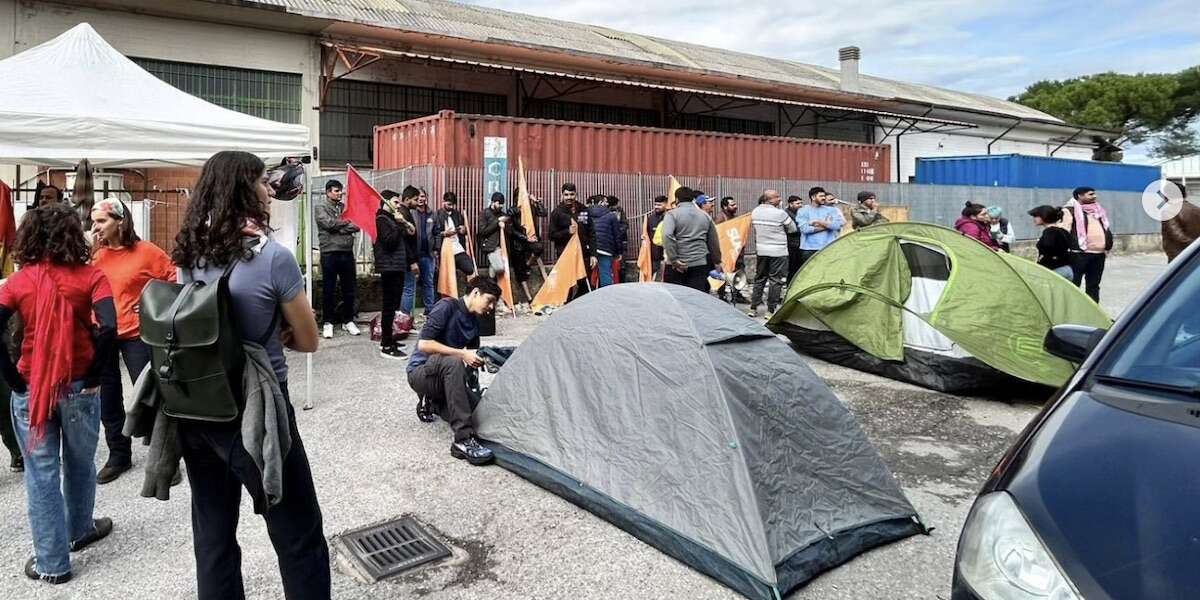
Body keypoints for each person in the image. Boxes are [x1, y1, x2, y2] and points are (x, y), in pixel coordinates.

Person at [171, 150, 329, 600]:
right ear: (245, 189)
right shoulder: (272, 258)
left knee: (214, 536)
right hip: (257, 413)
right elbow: (309, 340)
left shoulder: (188, 251)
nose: (268, 188)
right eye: (262, 181)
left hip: (197, 408)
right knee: (297, 533)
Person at [0, 204, 117, 584]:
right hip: (81, 385)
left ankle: (51, 563)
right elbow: (109, 329)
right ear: (72, 234)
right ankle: (79, 531)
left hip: (32, 388)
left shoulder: (17, 283)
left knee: (41, 473)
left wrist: (15, 383)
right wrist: (97, 375)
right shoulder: (92, 276)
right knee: (81, 463)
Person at [89, 198, 176, 484]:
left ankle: (164, 458)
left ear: (120, 221)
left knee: (149, 393)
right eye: (93, 221)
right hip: (102, 333)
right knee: (108, 397)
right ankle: (118, 455)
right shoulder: (94, 255)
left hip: (136, 333)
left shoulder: (146, 251)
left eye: (101, 221)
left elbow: (174, 279)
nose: (95, 227)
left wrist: (153, 301)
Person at [406, 277, 501, 465]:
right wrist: (462, 354)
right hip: (421, 373)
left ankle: (434, 403)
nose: (491, 307)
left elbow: (471, 365)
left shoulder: (474, 322)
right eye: (489, 300)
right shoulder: (447, 307)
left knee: (480, 417)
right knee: (454, 362)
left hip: (446, 377)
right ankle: (463, 441)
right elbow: (424, 344)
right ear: (475, 293)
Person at [314, 179, 361, 339]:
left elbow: (357, 225)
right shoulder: (320, 207)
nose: (339, 193)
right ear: (328, 192)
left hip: (347, 252)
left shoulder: (345, 208)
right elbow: (327, 224)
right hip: (329, 253)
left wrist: (339, 227)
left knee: (349, 289)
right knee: (329, 289)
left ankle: (348, 320)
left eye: (341, 191)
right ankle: (328, 322)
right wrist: (345, 225)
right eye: (336, 190)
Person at [375, 189, 415, 359]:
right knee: (389, 307)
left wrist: (403, 223)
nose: (399, 205)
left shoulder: (392, 219)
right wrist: (399, 225)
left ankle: (390, 338)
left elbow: (410, 233)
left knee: (394, 306)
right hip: (389, 267)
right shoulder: (382, 219)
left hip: (397, 266)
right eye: (395, 202)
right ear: (386, 202)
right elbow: (389, 242)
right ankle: (386, 344)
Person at [661, 186, 721, 293]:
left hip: (676, 266)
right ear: (693, 199)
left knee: (676, 298)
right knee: (696, 299)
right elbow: (713, 241)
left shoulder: (672, 215)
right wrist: (717, 261)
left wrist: (674, 260)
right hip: (699, 264)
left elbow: (667, 235)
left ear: (677, 199)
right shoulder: (705, 216)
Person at [749, 190, 796, 317]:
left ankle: (753, 308)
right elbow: (792, 229)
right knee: (776, 281)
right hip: (779, 251)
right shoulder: (780, 213)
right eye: (777, 197)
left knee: (759, 278)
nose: (780, 199)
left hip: (762, 250)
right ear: (770, 200)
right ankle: (770, 310)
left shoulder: (755, 211)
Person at [1061, 186, 1112, 302]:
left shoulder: (1099, 210)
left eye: (1094, 194)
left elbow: (1106, 229)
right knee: (1074, 286)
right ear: (1080, 196)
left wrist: (1107, 245)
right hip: (1078, 255)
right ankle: (1072, 312)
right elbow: (1063, 232)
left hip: (1098, 255)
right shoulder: (1070, 210)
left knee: (1093, 286)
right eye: (1090, 194)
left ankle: (1093, 314)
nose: (1095, 196)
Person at [548, 183, 595, 299]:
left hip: (583, 254)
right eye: (566, 194)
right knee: (566, 286)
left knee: (585, 283)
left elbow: (592, 233)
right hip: (565, 254)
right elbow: (551, 235)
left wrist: (594, 254)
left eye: (571, 194)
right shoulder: (557, 213)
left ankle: (578, 305)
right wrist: (566, 232)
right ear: (562, 195)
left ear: (576, 194)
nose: (569, 197)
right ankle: (567, 306)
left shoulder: (584, 210)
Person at [431, 192, 475, 294]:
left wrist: (463, 230)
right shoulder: (437, 215)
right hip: (444, 249)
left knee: (469, 268)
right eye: (448, 204)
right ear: (443, 202)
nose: (451, 207)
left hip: (458, 248)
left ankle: (468, 294)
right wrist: (444, 234)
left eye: (452, 204)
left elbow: (464, 231)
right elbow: (434, 233)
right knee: (444, 275)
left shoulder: (457, 214)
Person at [402, 188, 436, 319]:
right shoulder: (410, 213)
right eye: (418, 197)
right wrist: (411, 259)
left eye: (422, 197)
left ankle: (430, 311)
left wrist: (436, 249)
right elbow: (408, 236)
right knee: (410, 287)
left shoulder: (432, 214)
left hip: (428, 254)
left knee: (428, 283)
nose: (420, 200)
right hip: (414, 255)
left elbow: (436, 232)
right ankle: (406, 316)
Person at [509, 191, 547, 305]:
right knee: (520, 273)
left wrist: (535, 201)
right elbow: (511, 230)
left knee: (539, 248)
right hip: (518, 243)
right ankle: (529, 298)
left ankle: (527, 265)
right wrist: (525, 238)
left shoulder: (531, 207)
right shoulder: (513, 210)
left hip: (531, 240)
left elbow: (543, 213)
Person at [796, 186, 845, 265]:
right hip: (809, 249)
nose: (823, 198)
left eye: (824, 196)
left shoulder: (831, 210)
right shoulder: (803, 211)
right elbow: (805, 229)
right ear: (813, 197)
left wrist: (817, 221)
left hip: (828, 246)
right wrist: (828, 225)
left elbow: (837, 226)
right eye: (821, 196)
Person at [1027, 205, 1074, 280]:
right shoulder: (1063, 231)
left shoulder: (1049, 232)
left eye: (1036, 216)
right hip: (1068, 269)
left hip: (1055, 270)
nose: (1034, 219)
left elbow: (1048, 248)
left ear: (1043, 216)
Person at [590, 195, 626, 288]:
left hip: (590, 248)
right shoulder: (611, 216)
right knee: (606, 274)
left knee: (590, 274)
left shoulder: (587, 214)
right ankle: (606, 298)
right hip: (605, 249)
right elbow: (617, 236)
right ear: (601, 203)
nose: (607, 204)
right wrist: (619, 252)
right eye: (605, 202)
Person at [478, 192, 511, 280]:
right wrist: (497, 222)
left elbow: (510, 232)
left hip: (502, 246)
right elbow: (482, 232)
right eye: (499, 204)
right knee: (500, 268)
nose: (501, 206)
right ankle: (490, 281)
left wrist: (505, 226)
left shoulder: (503, 215)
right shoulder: (484, 213)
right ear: (493, 202)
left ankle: (491, 283)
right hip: (489, 245)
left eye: (502, 205)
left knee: (497, 268)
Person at [645, 195, 668, 280]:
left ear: (666, 204)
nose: (656, 207)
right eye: (655, 205)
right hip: (654, 255)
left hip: (667, 255)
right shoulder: (650, 219)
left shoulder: (670, 217)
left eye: (659, 205)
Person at [606, 195, 628, 283]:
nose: (616, 207)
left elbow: (625, 224)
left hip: (621, 241)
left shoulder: (620, 210)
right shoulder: (605, 212)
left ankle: (622, 283)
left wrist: (618, 232)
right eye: (615, 205)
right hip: (609, 242)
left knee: (621, 265)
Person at [784, 195, 805, 280]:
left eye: (801, 203)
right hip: (791, 244)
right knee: (792, 267)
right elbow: (794, 229)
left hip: (799, 243)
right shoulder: (786, 214)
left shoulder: (800, 213)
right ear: (791, 204)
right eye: (798, 203)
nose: (800, 205)